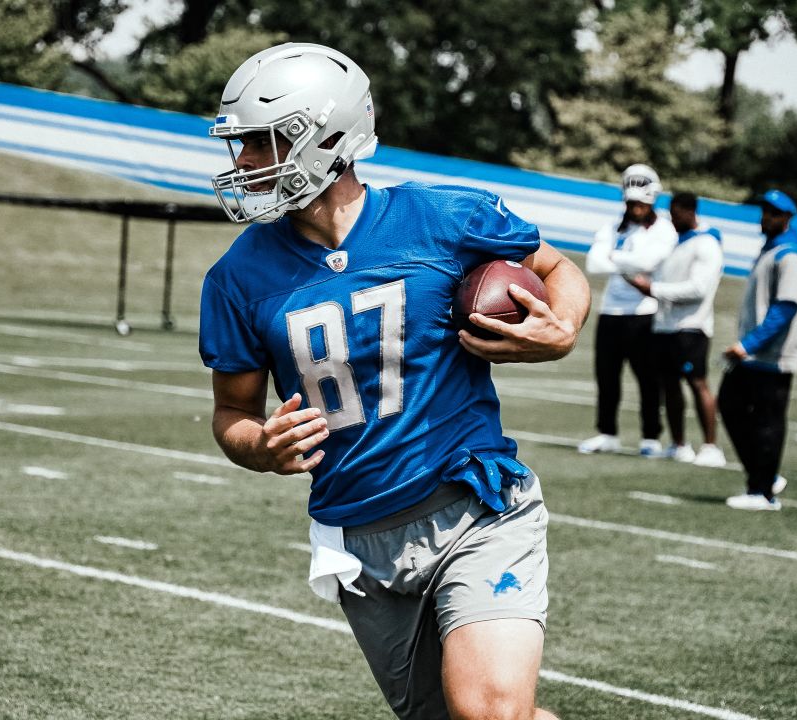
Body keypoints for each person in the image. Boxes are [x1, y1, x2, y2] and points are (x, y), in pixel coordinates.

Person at [199, 43, 590, 720]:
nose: (244, 165)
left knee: (488, 713)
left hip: (475, 505)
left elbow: (561, 271)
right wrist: (259, 447)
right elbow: (232, 412)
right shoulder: (237, 278)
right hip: (361, 535)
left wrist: (561, 328)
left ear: (323, 139)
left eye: (260, 144)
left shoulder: (445, 219)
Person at [718, 190, 797, 510]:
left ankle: (763, 493)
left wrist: (748, 345)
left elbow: (784, 310)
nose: (765, 218)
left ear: (786, 218)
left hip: (772, 357)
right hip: (755, 354)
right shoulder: (771, 251)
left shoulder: (791, 256)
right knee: (730, 406)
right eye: (764, 211)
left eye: (773, 213)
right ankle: (764, 477)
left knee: (768, 422)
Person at [578, 164, 677, 458]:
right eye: (631, 203)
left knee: (648, 378)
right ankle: (607, 433)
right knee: (607, 376)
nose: (635, 208)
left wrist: (615, 257)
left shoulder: (664, 228)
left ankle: (650, 437)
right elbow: (594, 264)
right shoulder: (612, 227)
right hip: (611, 311)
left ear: (652, 200)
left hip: (645, 312)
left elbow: (650, 261)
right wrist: (629, 260)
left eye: (641, 203)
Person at [625, 192, 728, 467]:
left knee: (697, 383)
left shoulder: (706, 244)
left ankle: (710, 446)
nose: (672, 218)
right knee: (669, 385)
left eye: (676, 212)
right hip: (664, 326)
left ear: (691, 211)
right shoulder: (675, 243)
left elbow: (698, 289)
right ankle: (679, 443)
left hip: (691, 326)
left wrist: (653, 289)